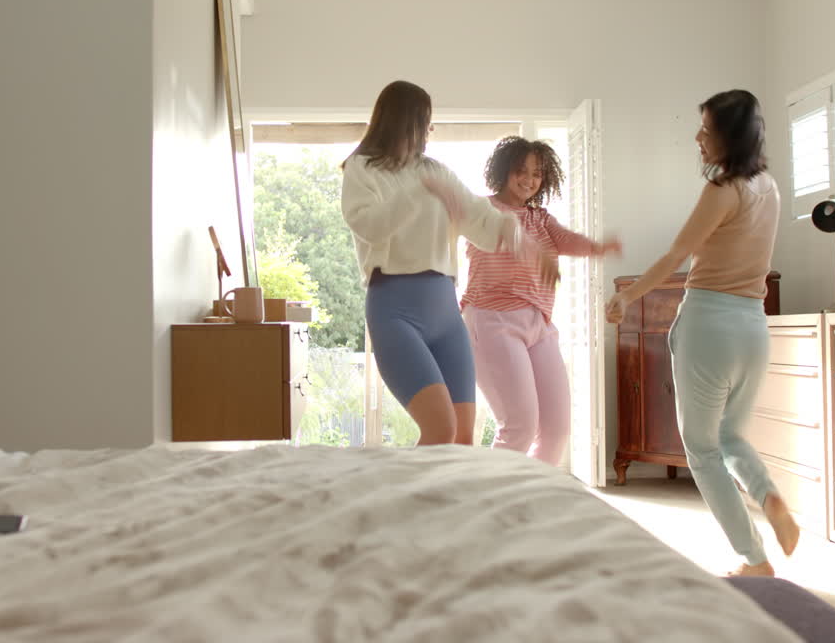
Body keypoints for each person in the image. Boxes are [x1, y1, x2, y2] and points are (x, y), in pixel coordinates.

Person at [605, 90, 799, 577]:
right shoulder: (768, 187)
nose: (697, 137)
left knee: (701, 448)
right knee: (731, 435)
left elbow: (675, 256)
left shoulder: (723, 191)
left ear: (729, 136)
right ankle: (768, 497)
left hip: (709, 324)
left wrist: (628, 298)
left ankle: (754, 559)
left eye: (706, 130)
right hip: (753, 325)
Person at [340, 81, 555, 446]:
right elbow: (370, 227)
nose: (430, 131)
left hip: (444, 310)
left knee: (462, 439)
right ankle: (402, 502)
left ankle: (447, 504)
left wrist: (524, 241)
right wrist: (417, 191)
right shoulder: (361, 168)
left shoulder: (436, 171)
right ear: (405, 120)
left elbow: (481, 222)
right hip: (395, 310)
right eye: (426, 122)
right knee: (440, 430)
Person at [459, 136, 620, 465]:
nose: (529, 180)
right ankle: (487, 494)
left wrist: (597, 247)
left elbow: (565, 240)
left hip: (539, 324)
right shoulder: (484, 210)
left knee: (556, 428)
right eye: (522, 171)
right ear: (504, 171)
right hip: (493, 320)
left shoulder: (541, 219)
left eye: (537, 174)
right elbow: (503, 233)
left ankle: (530, 496)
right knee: (520, 426)